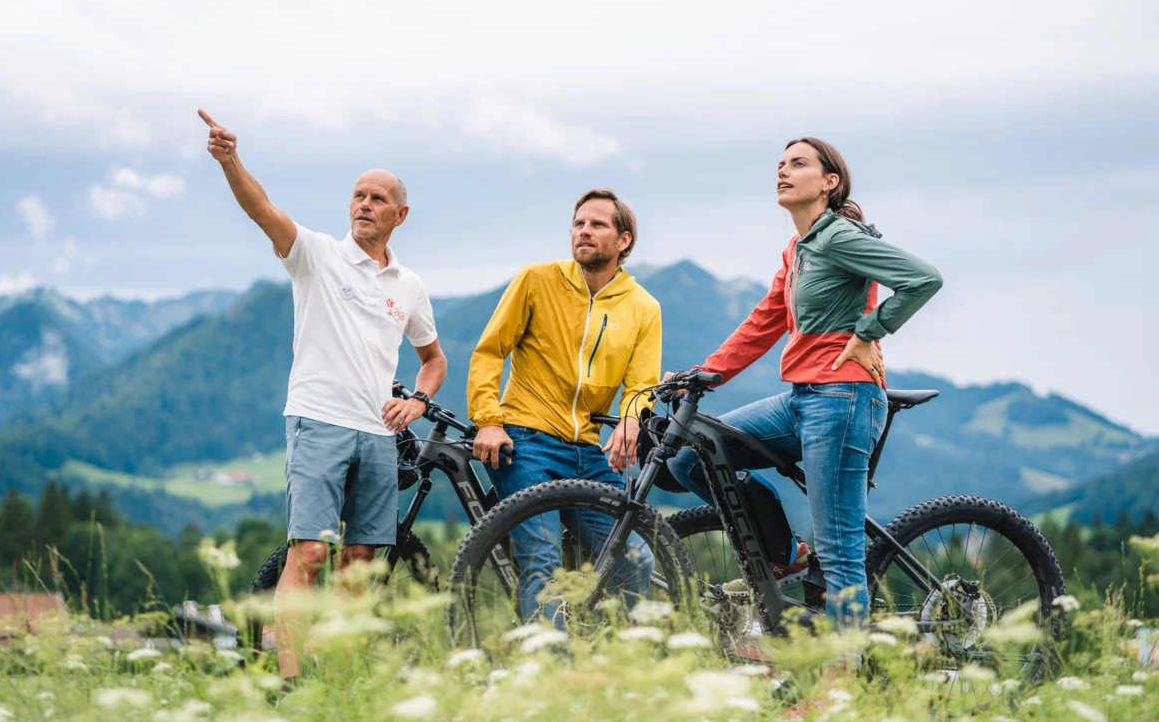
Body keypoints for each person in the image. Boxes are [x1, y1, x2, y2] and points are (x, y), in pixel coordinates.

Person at [199, 110, 447, 682]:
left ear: (400, 215)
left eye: (378, 198)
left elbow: (433, 360)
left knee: (361, 564)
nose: (364, 204)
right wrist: (231, 160)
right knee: (308, 553)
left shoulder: (408, 286)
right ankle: (289, 683)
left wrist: (416, 402)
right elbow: (261, 210)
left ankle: (333, 675)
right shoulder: (315, 254)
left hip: (380, 434)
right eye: (358, 195)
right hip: (318, 421)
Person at [669, 137, 942, 630]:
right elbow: (765, 319)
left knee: (840, 555)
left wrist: (867, 334)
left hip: (842, 399)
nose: (784, 171)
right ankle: (786, 552)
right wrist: (703, 376)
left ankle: (841, 687)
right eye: (780, 164)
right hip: (800, 398)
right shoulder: (799, 247)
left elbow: (923, 279)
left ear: (829, 182)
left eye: (798, 164)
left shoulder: (840, 237)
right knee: (695, 456)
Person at [467, 188, 662, 623]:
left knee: (634, 559)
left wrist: (631, 422)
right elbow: (489, 352)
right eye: (578, 224)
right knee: (544, 566)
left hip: (588, 454)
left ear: (624, 240)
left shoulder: (644, 307)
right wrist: (488, 420)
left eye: (597, 225)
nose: (584, 231)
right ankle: (547, 682)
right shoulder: (536, 280)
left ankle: (607, 662)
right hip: (525, 442)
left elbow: (642, 385)